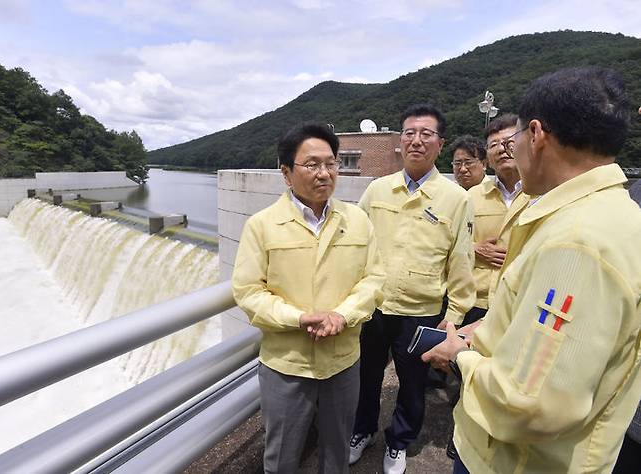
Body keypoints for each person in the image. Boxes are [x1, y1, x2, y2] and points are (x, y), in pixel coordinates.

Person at [423, 66, 641, 473]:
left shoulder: (576, 241)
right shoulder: (614, 214)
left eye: (516, 137)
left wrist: (459, 356)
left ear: (537, 135)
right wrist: (485, 332)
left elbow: (529, 403)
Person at [232, 122, 385, 473]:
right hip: (287, 364)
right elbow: (248, 291)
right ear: (286, 173)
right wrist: (298, 318)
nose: (324, 173)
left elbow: (374, 279)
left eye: (331, 164)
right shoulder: (262, 225)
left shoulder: (358, 220)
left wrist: (342, 315)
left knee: (337, 455)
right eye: (312, 165)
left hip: (343, 361)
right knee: (281, 458)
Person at [350, 104, 475, 474]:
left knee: (412, 383)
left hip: (421, 312)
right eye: (409, 134)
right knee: (366, 375)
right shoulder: (377, 190)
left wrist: (450, 320)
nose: (416, 141)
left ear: (440, 144)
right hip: (374, 307)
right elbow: (354, 242)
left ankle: (399, 441)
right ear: (400, 142)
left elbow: (461, 264)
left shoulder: (456, 199)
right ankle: (362, 430)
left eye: (426, 135)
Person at [468, 114, 529, 324]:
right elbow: (446, 242)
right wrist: (474, 248)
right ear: (488, 157)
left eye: (509, 142)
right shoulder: (471, 197)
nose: (502, 149)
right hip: (474, 302)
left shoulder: (543, 195)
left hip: (520, 302)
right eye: (494, 145)